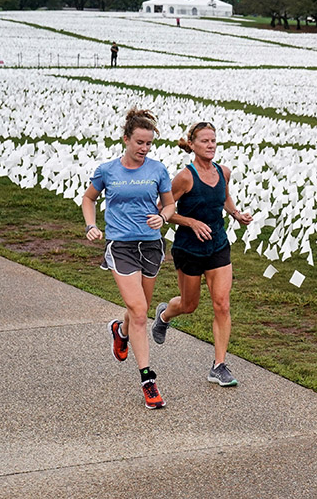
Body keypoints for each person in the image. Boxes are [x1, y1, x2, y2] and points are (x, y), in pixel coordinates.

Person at [82, 108, 174, 409]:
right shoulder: (108, 170)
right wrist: (91, 225)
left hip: (150, 246)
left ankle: (119, 332)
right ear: (126, 139)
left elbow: (170, 205)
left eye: (149, 144)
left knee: (140, 311)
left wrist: (163, 217)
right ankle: (148, 381)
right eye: (140, 143)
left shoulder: (158, 170)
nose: (145, 149)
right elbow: (89, 198)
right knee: (138, 311)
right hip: (121, 245)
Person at [151, 121, 252, 387]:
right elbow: (164, 208)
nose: (210, 145)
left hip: (218, 245)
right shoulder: (185, 177)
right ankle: (164, 315)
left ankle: (219, 365)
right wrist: (191, 222)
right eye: (205, 141)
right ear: (193, 145)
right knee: (189, 305)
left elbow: (224, 197)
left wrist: (235, 214)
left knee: (222, 303)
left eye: (213, 141)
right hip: (189, 248)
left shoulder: (223, 172)